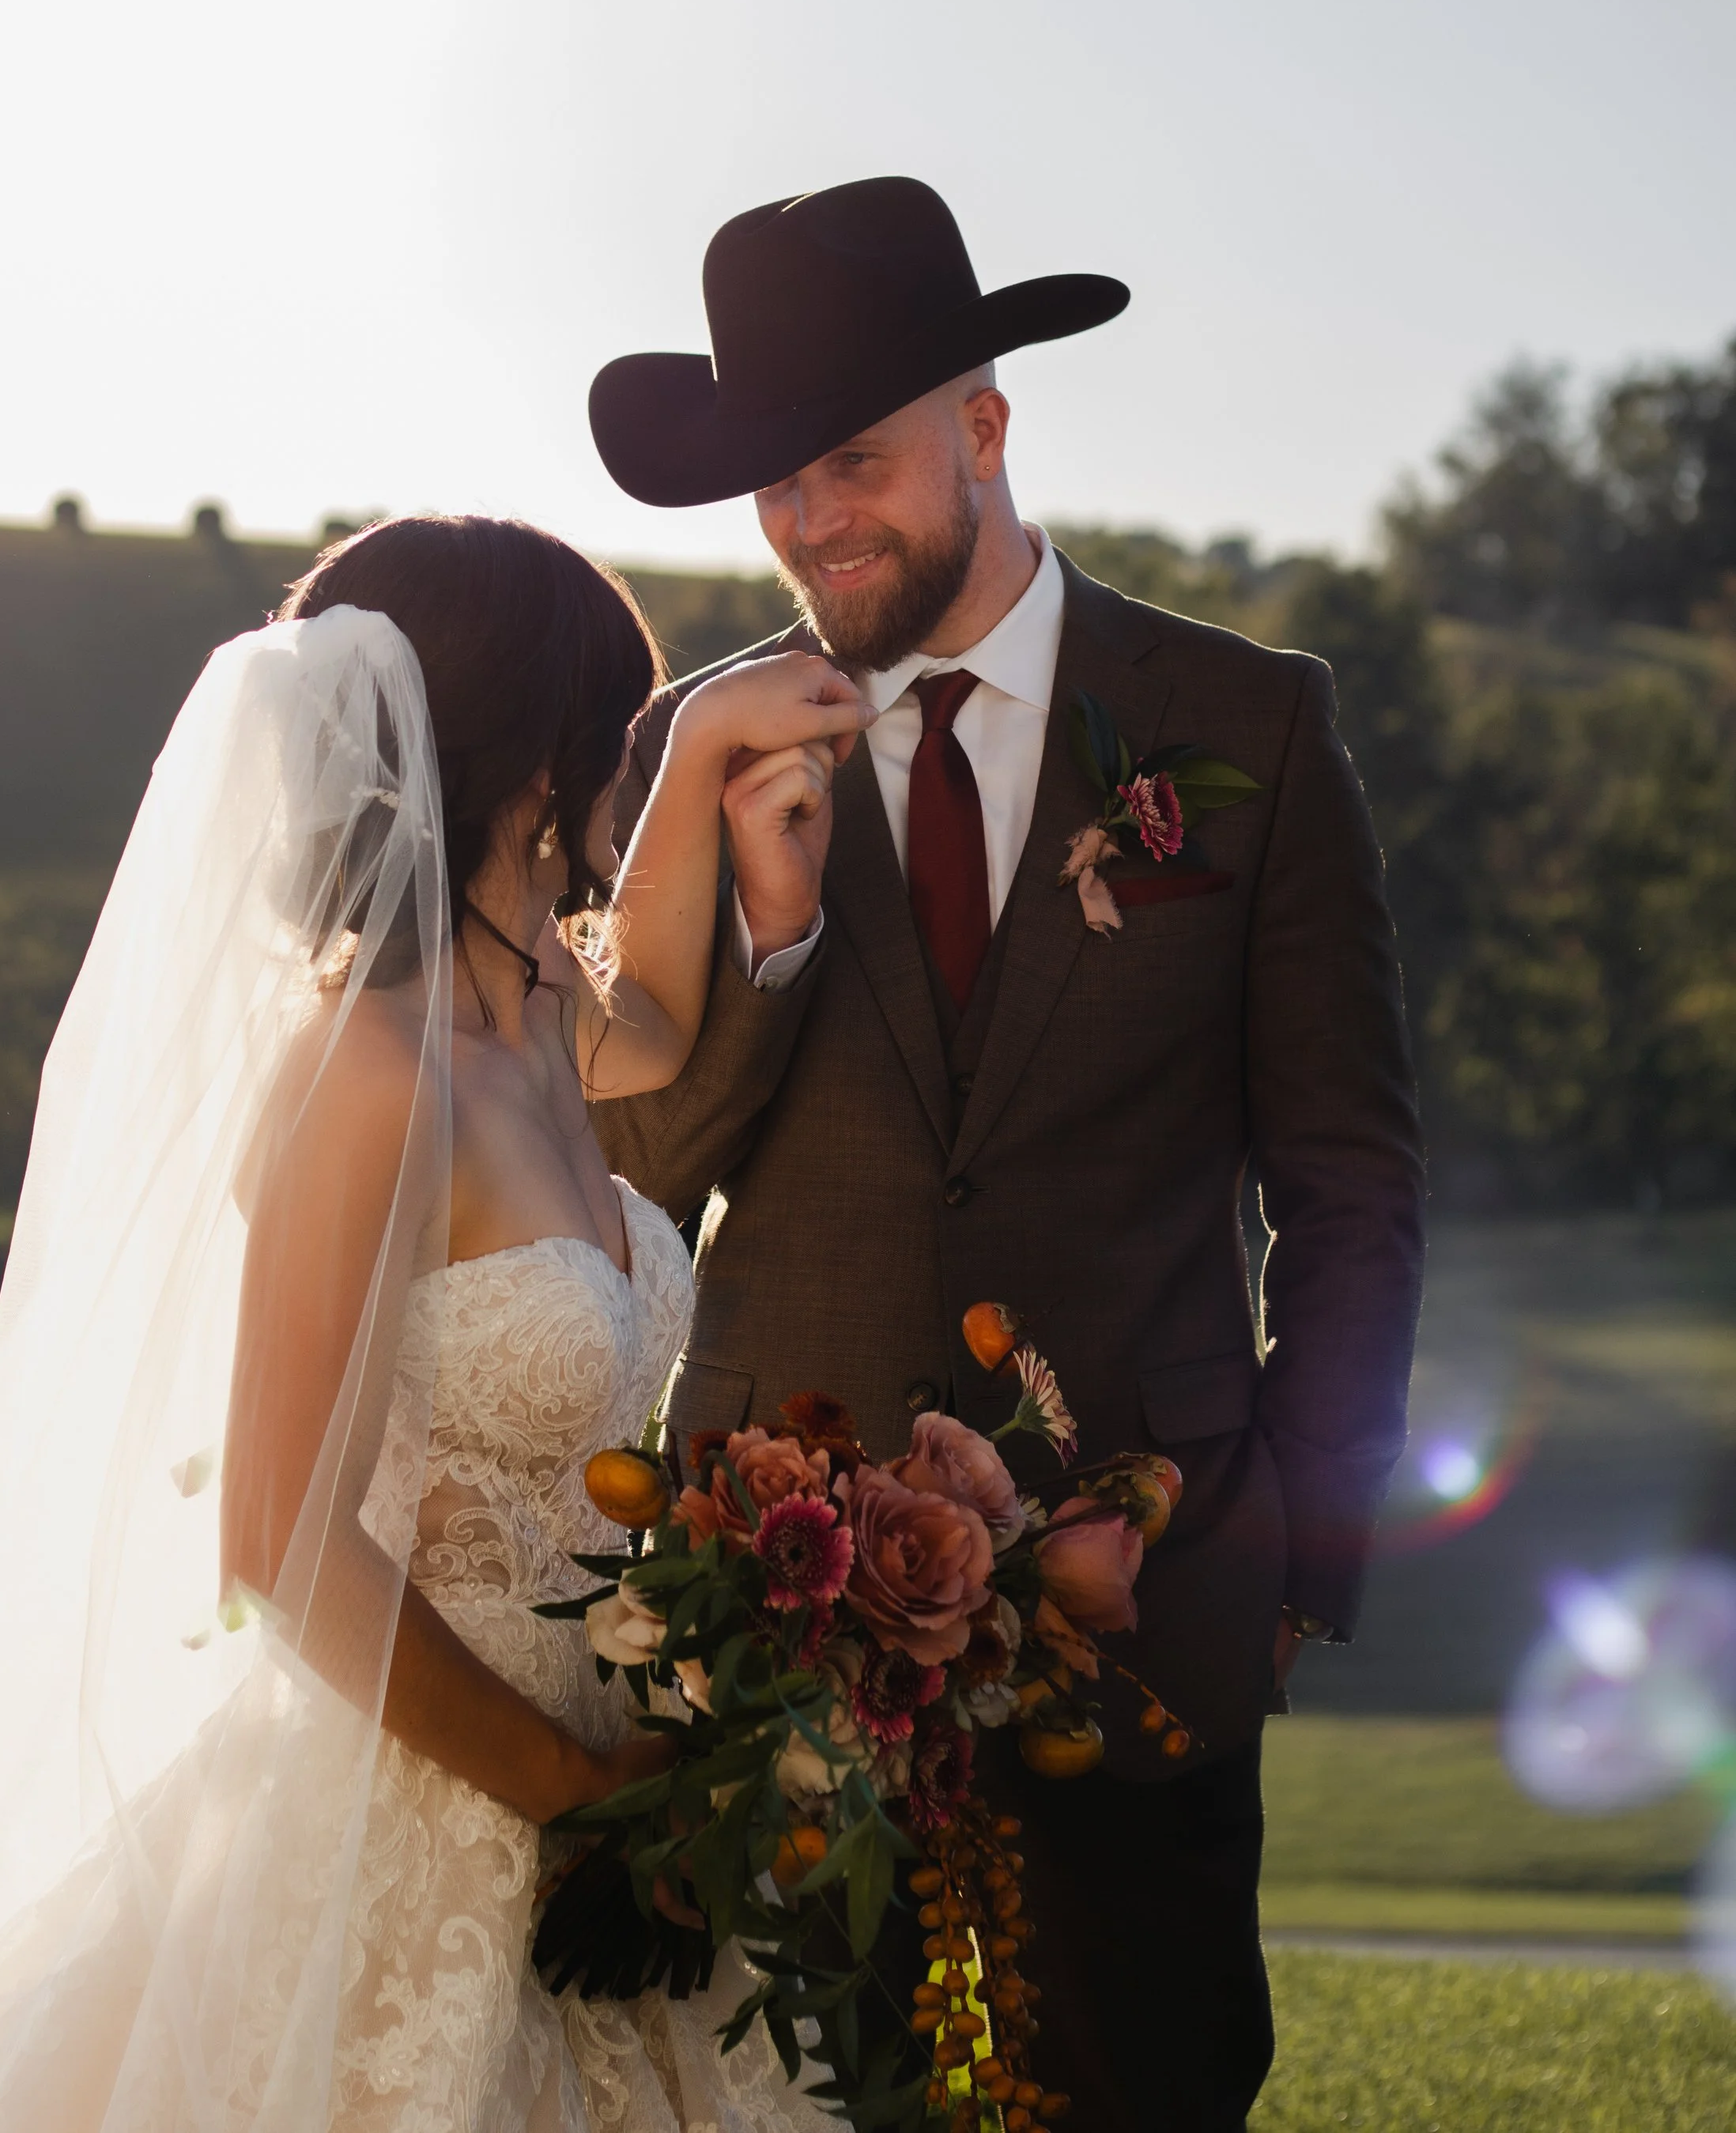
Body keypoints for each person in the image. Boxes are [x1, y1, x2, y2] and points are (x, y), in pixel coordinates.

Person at [0, 513, 873, 2133]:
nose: (630, 773)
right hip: (413, 1785)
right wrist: (566, 1795)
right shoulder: (361, 1075)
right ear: (539, 763)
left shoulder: (548, 1012)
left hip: (611, 1762)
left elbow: (667, 1013)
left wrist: (716, 768)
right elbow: (277, 1536)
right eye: (620, 734)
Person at [588, 178, 1426, 2133]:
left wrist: (1282, 1557)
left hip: (1139, 1619)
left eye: (851, 463)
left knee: (1150, 2089)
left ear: (984, 421)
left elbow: (1350, 1185)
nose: (808, 522)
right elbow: (634, 1163)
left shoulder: (1246, 727)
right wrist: (771, 943)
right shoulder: (693, 751)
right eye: (772, 485)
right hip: (770, 1640)